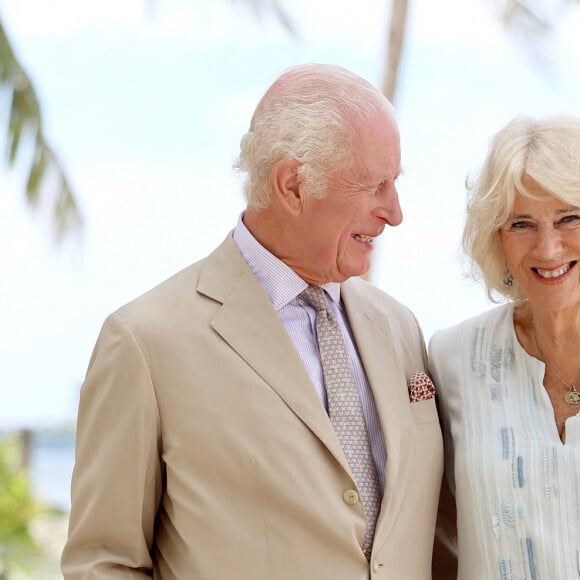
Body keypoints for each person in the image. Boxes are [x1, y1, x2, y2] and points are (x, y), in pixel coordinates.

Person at [61, 63, 445, 579]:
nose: (394, 213)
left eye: (394, 183)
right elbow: (103, 563)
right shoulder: (145, 343)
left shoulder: (399, 328)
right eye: (375, 185)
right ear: (292, 185)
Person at [429, 114, 580, 579]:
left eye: (569, 217)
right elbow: (430, 526)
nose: (549, 248)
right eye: (522, 224)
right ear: (498, 237)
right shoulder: (451, 357)